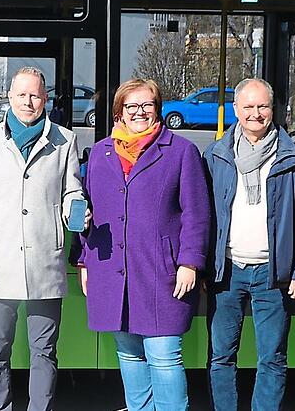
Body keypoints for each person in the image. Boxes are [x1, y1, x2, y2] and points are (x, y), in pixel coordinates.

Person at [77, 78, 210, 411]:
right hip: (111, 272)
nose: (139, 112)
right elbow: (88, 208)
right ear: (119, 113)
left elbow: (197, 213)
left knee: (164, 356)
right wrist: (84, 260)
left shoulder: (181, 151)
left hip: (161, 272)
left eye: (147, 105)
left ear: (158, 109)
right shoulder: (101, 153)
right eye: (131, 106)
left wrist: (190, 262)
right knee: (129, 354)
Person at [0, 67, 84, 411]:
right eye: (21, 95)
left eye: (34, 95)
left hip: (45, 261)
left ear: (45, 99)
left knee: (44, 351)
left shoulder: (64, 140)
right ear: (10, 97)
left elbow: (72, 189)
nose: (28, 102)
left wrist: (75, 208)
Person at [203, 78, 295, 411]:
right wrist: (202, 266)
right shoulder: (215, 155)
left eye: (263, 106)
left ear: (273, 109)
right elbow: (202, 215)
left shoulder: (292, 158)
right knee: (221, 356)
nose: (256, 113)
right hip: (226, 272)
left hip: (274, 274)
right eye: (249, 106)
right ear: (235, 110)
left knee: (272, 357)